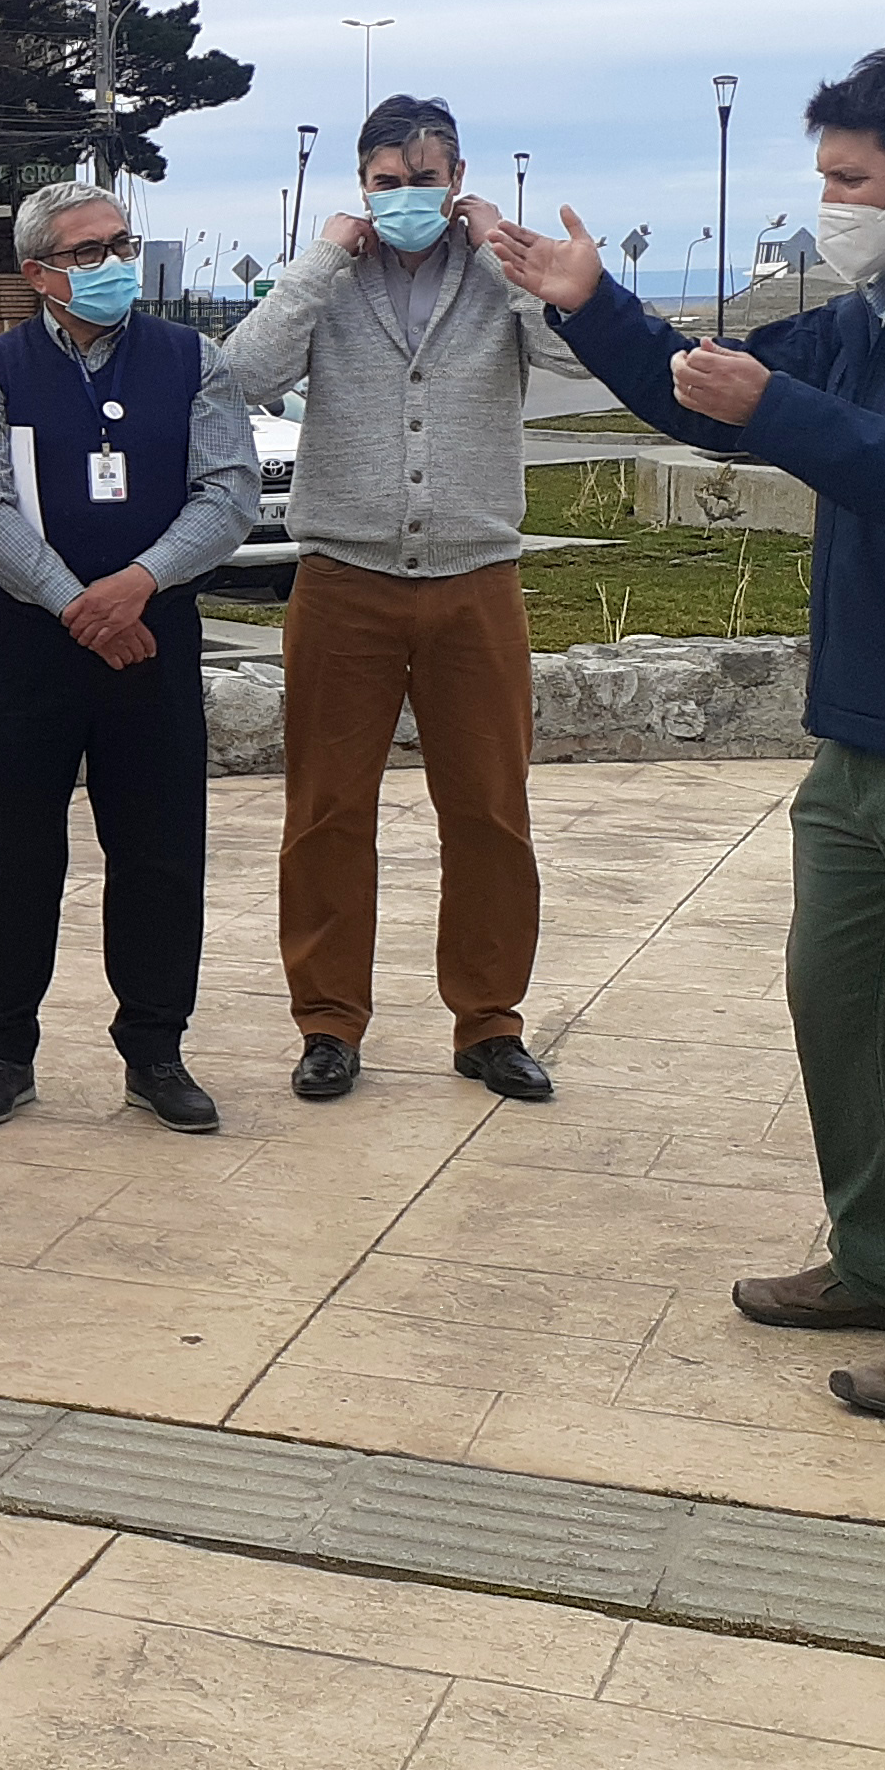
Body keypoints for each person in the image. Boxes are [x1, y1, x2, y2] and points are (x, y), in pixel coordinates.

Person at [492, 39, 885, 1421]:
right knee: (835, 1002)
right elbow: (708, 395)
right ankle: (883, 1256)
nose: (826, 200)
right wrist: (596, 308)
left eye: (851, 176)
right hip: (865, 738)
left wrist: (782, 408)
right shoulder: (879, 310)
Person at [226, 97, 584, 1106]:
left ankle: (489, 1023)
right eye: (386, 183)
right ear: (362, 187)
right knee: (328, 811)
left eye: (425, 181)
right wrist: (321, 259)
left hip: (477, 581)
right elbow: (243, 374)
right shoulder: (331, 282)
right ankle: (329, 1022)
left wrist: (509, 259)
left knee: (489, 812)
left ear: (459, 178)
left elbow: (577, 356)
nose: (407, 199)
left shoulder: (494, 275)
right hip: (345, 583)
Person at [0, 182, 259, 1137]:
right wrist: (79, 604)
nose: (113, 262)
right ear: (38, 272)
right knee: (23, 851)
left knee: (160, 853)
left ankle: (155, 1051)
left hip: (153, 640)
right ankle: (4, 1052)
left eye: (121, 243)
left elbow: (229, 492)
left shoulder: (193, 360)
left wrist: (137, 584)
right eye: (87, 252)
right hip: (38, 647)